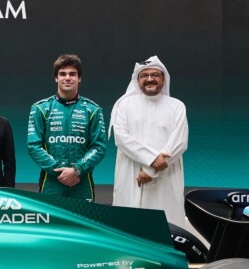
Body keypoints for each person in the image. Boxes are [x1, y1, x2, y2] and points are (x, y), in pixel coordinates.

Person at [110, 55, 189, 226]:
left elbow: (179, 143)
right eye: (144, 75)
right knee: (128, 225)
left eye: (155, 75)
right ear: (137, 80)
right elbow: (121, 138)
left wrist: (151, 170)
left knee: (166, 226)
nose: (150, 79)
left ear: (163, 79)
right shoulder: (124, 105)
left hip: (166, 175)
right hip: (131, 173)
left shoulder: (177, 106)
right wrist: (152, 160)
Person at [26, 53, 107, 201]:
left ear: (79, 78)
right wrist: (60, 172)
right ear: (56, 78)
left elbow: (99, 147)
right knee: (51, 217)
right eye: (62, 74)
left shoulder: (93, 110)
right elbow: (34, 146)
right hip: (51, 182)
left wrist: (77, 170)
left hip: (82, 181)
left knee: (83, 217)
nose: (67, 78)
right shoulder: (40, 109)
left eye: (72, 74)